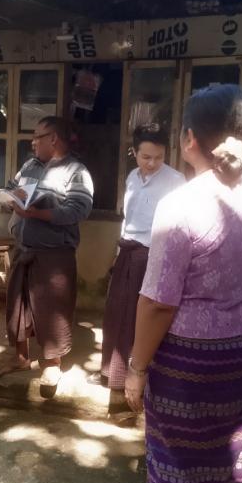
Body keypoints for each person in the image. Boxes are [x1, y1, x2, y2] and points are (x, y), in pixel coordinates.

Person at [125, 85, 242, 483]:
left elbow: (157, 303)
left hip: (185, 364)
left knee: (178, 465)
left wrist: (136, 369)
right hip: (240, 350)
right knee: (229, 456)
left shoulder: (181, 205)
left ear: (189, 138)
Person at [0, 116, 94, 397]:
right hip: (24, 248)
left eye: (38, 136)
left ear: (54, 139)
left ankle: (52, 364)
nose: (33, 142)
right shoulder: (30, 165)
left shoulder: (76, 172)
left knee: (52, 310)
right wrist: (10, 198)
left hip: (54, 255)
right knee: (19, 306)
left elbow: (78, 209)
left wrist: (37, 213)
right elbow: (12, 188)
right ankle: (20, 357)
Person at [91, 123, 184, 401]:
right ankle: (112, 372)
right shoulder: (132, 177)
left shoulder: (176, 181)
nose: (152, 163)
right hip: (128, 251)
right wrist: (117, 252)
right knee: (117, 314)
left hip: (155, 256)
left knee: (142, 319)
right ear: (134, 152)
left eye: (159, 157)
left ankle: (142, 377)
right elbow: (128, 218)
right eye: (146, 157)